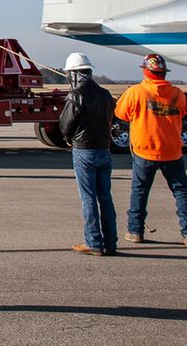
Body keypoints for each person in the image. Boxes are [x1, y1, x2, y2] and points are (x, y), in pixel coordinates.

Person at [116, 54, 187, 248]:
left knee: (140, 191)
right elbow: (183, 112)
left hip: (144, 150)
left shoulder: (135, 92)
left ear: (146, 70)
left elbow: (121, 114)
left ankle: (135, 231)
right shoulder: (177, 93)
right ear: (163, 72)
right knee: (181, 192)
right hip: (172, 150)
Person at [56, 52, 117, 256]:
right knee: (105, 197)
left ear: (73, 74)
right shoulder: (106, 94)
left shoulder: (76, 96)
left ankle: (93, 242)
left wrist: (68, 139)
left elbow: (65, 125)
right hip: (104, 149)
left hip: (84, 150)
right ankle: (110, 242)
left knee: (88, 198)